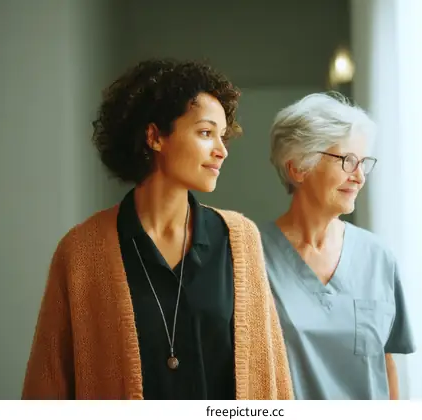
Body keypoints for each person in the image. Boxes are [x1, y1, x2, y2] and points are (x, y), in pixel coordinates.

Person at [22, 59, 293, 400]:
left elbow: (272, 377)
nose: (221, 151)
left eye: (222, 137)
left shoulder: (240, 239)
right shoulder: (81, 251)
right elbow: (48, 384)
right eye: (206, 133)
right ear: (155, 137)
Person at [259, 92, 415, 400]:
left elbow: (386, 363)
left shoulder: (378, 257)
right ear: (298, 168)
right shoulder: (251, 255)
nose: (358, 177)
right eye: (347, 161)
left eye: (363, 163)